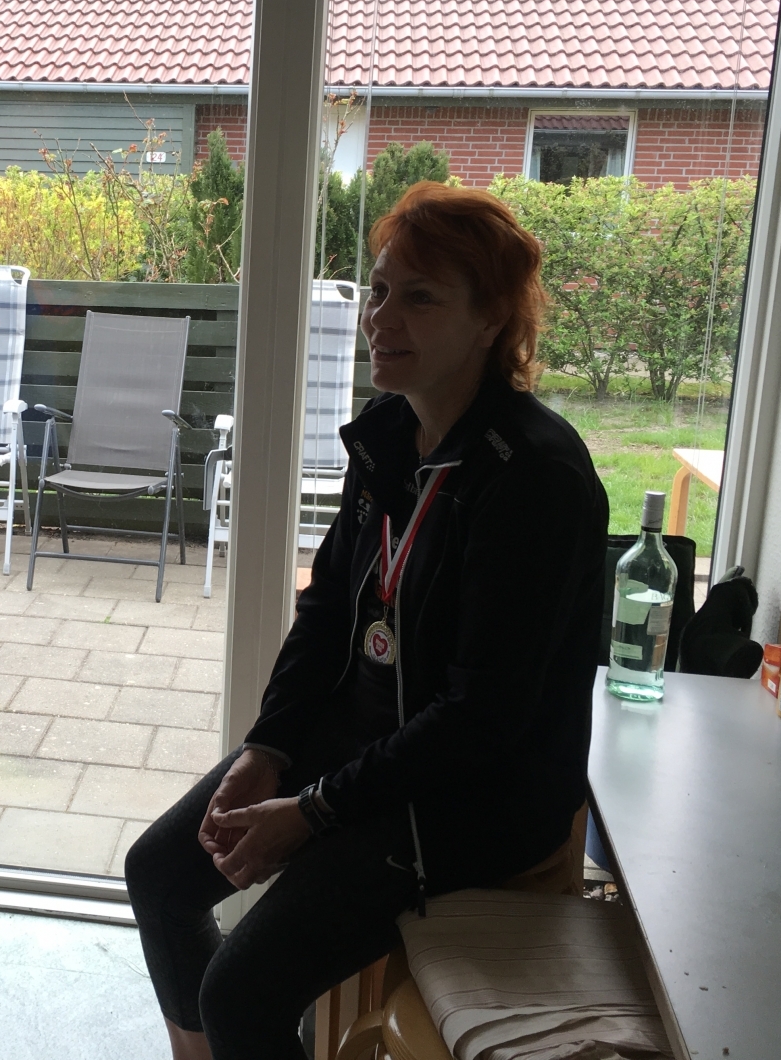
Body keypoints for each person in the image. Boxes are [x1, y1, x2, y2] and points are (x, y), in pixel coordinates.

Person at [125, 182, 610, 1060]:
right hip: (363, 746)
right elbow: (325, 612)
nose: (381, 318)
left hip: (468, 797)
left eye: (419, 298)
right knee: (159, 877)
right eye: (380, 290)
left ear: (491, 319)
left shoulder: (534, 478)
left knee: (241, 991)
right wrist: (268, 748)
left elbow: (481, 719)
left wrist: (312, 811)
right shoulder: (389, 432)